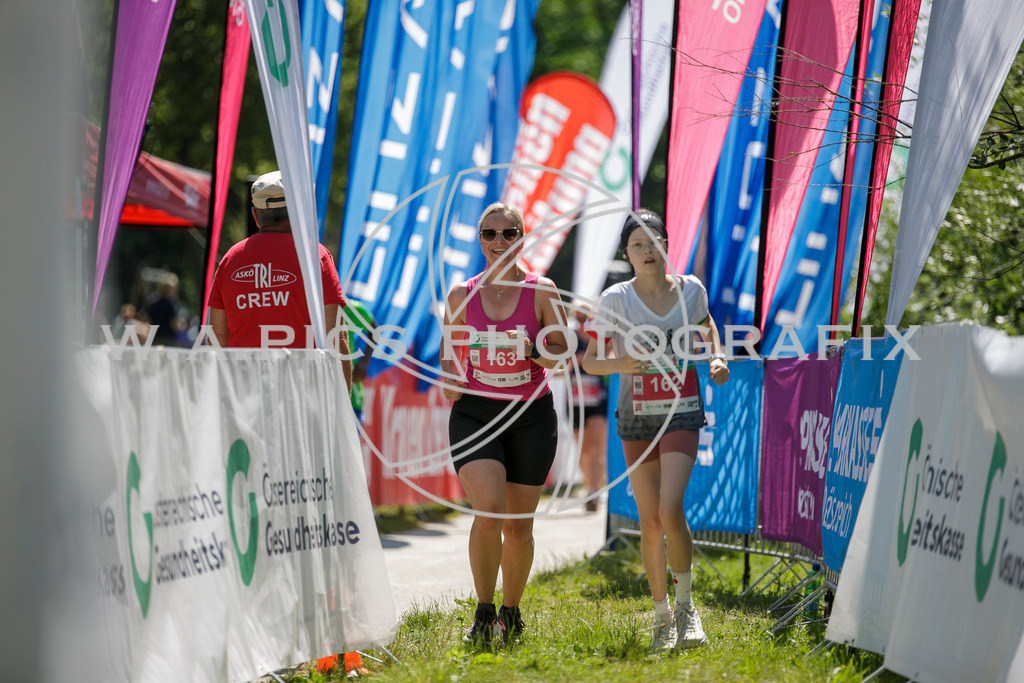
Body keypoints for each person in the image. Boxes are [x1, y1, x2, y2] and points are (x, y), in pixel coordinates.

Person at [582, 209, 729, 653]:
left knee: (670, 510)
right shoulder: (614, 299)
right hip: (637, 418)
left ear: (667, 244)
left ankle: (687, 608)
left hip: (683, 409)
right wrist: (618, 365)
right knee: (648, 522)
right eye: (638, 244)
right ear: (627, 254)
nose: (648, 250)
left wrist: (716, 357)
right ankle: (661, 616)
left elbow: (708, 327)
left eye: (655, 241)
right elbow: (589, 360)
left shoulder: (692, 291)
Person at [441, 202, 568, 648]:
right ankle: (483, 611)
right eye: (489, 234)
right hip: (476, 414)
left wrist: (531, 349)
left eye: (508, 233)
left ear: (522, 238)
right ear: (479, 240)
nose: (499, 242)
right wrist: (452, 381)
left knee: (518, 526)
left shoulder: (543, 291)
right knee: (489, 511)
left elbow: (562, 356)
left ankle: (511, 613)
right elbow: (448, 363)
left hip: (530, 417)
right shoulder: (461, 295)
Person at [208, 171, 351, 384]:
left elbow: (216, 342)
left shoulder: (230, 260)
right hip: (302, 395)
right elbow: (336, 338)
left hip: (244, 395)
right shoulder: (316, 256)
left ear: (256, 217)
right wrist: (343, 410)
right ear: (298, 211)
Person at [567, 300, 607, 512]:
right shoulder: (569, 338)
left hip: (598, 398)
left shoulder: (600, 337)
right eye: (580, 319)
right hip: (576, 400)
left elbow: (612, 357)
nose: (583, 323)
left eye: (588, 319)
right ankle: (589, 486)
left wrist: (597, 362)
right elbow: (558, 367)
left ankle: (593, 491)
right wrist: (576, 361)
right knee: (583, 448)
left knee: (597, 446)